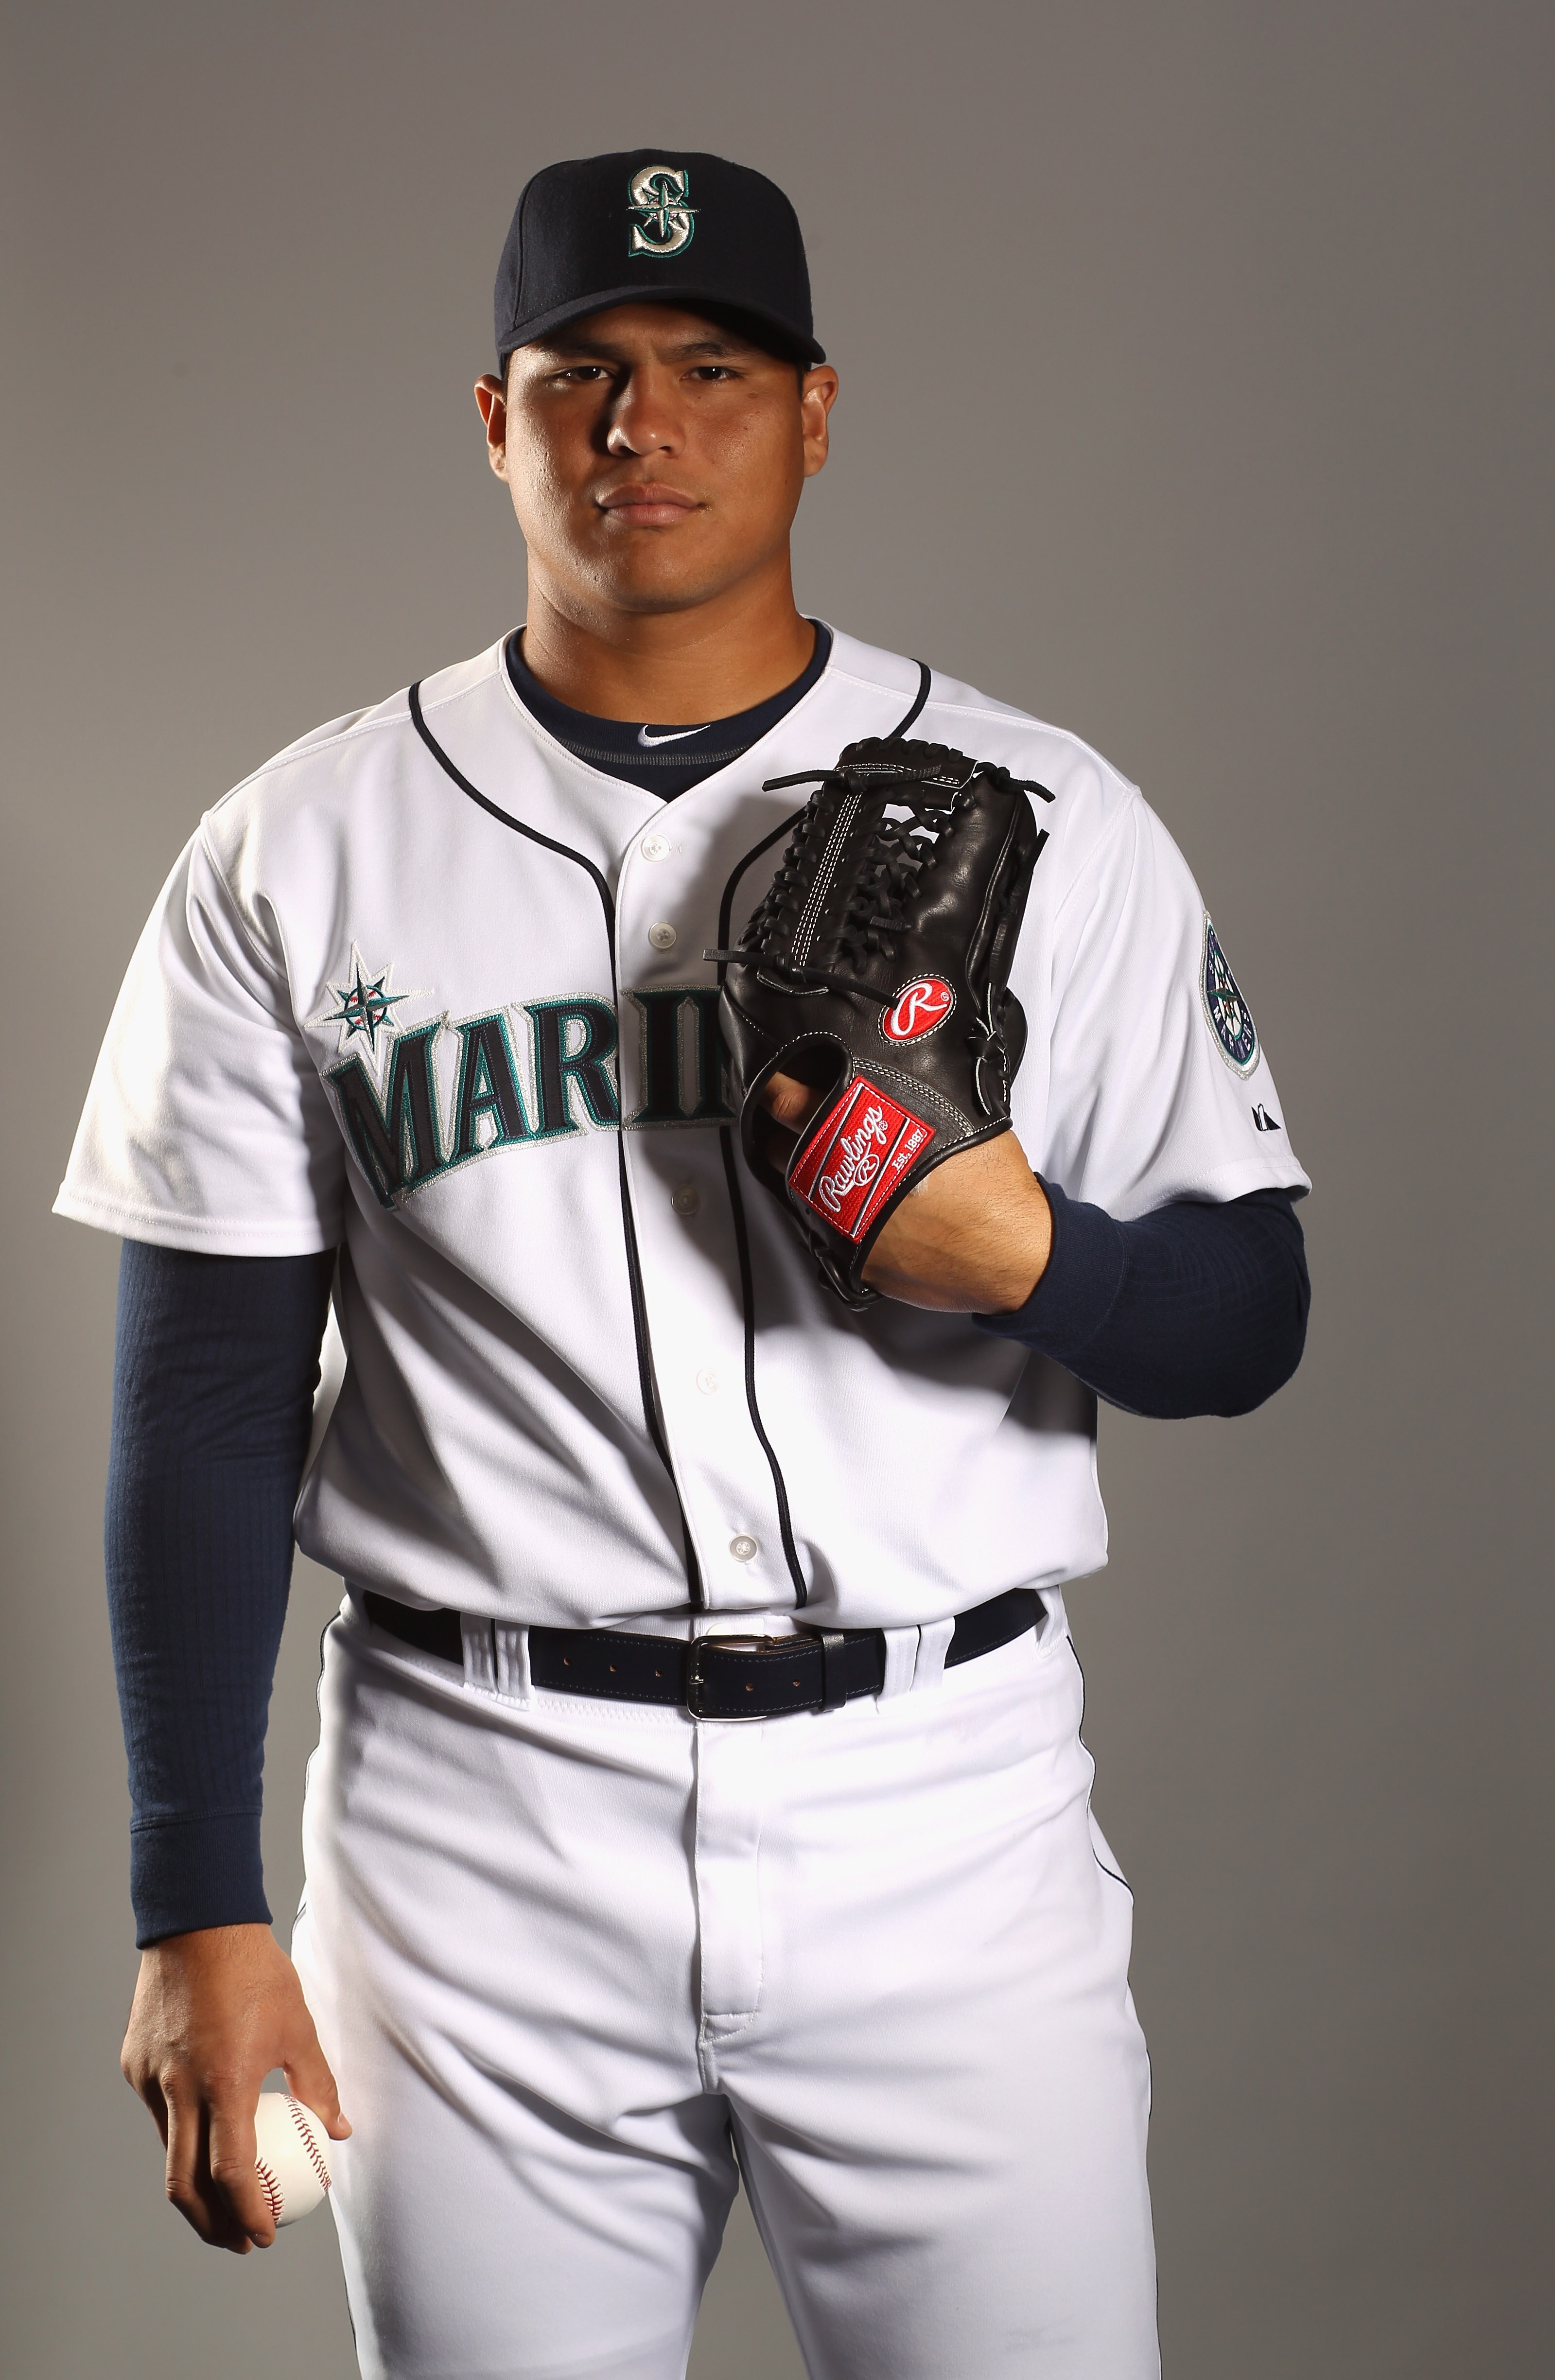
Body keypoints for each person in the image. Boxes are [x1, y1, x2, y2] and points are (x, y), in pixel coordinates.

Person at [57, 150, 1310, 2379]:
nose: (646, 430)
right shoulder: (297, 849)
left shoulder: (1049, 812)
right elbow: (207, 1405)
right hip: (476, 1822)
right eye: (586, 378)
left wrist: (1030, 1260)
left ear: (817, 414)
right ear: (494, 419)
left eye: (712, 371)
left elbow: (1251, 1317)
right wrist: (193, 1899)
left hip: (946, 1811)